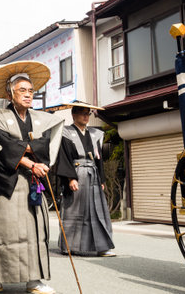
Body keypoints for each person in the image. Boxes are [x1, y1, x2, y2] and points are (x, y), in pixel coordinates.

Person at [0, 61, 64, 294]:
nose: (28, 95)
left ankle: (34, 280)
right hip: (9, 181)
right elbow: (1, 147)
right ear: (9, 93)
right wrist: (29, 158)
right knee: (5, 231)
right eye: (22, 90)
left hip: (34, 183)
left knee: (36, 229)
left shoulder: (39, 119)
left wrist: (28, 151)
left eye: (31, 91)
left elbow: (42, 144)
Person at [56, 102, 115, 257]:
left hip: (93, 173)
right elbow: (64, 156)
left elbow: (99, 159)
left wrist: (102, 179)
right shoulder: (66, 132)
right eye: (82, 113)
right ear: (73, 115)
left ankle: (102, 247)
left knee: (98, 210)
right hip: (76, 172)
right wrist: (70, 178)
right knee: (73, 211)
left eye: (88, 113)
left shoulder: (96, 134)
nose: (85, 116)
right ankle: (69, 246)